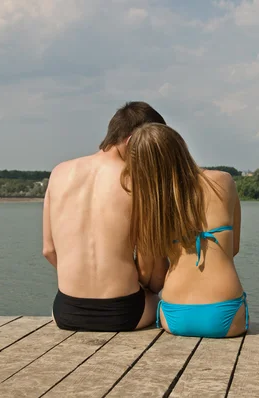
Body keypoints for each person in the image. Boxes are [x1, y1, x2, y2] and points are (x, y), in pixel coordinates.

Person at [43, 102, 169, 332]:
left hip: (65, 312)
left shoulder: (58, 172)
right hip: (125, 313)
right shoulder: (138, 182)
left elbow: (49, 251)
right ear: (132, 141)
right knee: (162, 302)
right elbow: (151, 264)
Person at [121, 123, 248, 338]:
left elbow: (150, 273)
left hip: (174, 313)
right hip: (225, 313)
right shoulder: (223, 181)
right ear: (181, 146)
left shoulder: (152, 205)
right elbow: (233, 248)